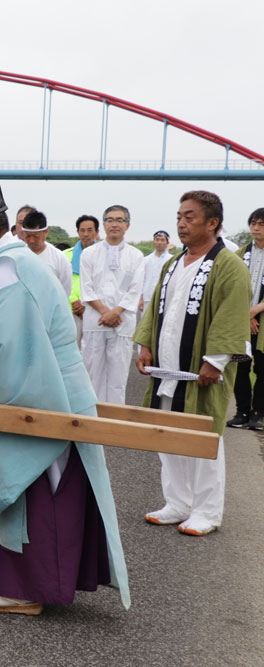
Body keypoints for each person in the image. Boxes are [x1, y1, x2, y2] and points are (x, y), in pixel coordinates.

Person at [0, 161, 129, 615]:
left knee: (38, 490)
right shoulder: (16, 261)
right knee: (45, 491)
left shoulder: (8, 271)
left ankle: (25, 590)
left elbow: (13, 358)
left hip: (46, 398)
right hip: (55, 389)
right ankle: (22, 580)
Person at [135, 190, 250, 537]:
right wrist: (145, 344)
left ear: (212, 223)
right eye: (179, 217)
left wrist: (216, 361)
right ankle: (178, 503)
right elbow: (156, 307)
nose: (181, 224)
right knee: (168, 436)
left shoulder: (229, 264)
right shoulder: (173, 262)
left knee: (203, 440)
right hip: (167, 369)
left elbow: (232, 315)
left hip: (202, 371)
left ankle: (207, 511)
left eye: (190, 217)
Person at [79, 205, 144, 404]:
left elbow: (135, 290)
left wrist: (115, 312)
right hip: (95, 322)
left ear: (127, 225)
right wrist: (105, 312)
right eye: (110, 220)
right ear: (104, 224)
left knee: (118, 380)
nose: (114, 224)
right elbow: (86, 288)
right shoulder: (89, 254)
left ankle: (114, 421)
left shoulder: (136, 256)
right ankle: (91, 419)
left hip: (121, 323)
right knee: (92, 376)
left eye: (119, 220)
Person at [227, 208, 264, 430]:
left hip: (260, 321)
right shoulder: (240, 255)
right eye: (253, 223)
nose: (255, 228)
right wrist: (247, 314)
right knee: (240, 366)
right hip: (242, 319)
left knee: (262, 369)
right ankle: (242, 411)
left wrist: (256, 310)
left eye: (261, 224)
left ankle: (258, 413)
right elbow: (232, 287)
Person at [65, 215, 101, 343]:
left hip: (95, 310)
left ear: (97, 232)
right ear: (78, 232)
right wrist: (74, 302)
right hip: (71, 310)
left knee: (93, 349)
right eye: (82, 230)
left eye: (90, 230)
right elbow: (59, 283)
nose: (86, 234)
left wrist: (85, 303)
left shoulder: (104, 257)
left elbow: (105, 284)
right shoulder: (65, 256)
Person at [20, 210, 73, 296]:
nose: (31, 240)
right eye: (28, 236)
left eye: (36, 236)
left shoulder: (59, 258)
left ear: (46, 232)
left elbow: (65, 290)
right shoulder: (19, 256)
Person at [139, 230, 173, 316]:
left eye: (162, 240)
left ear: (167, 242)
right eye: (157, 240)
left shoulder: (172, 260)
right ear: (153, 241)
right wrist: (140, 297)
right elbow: (141, 279)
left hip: (165, 297)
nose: (159, 242)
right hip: (147, 297)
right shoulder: (146, 260)